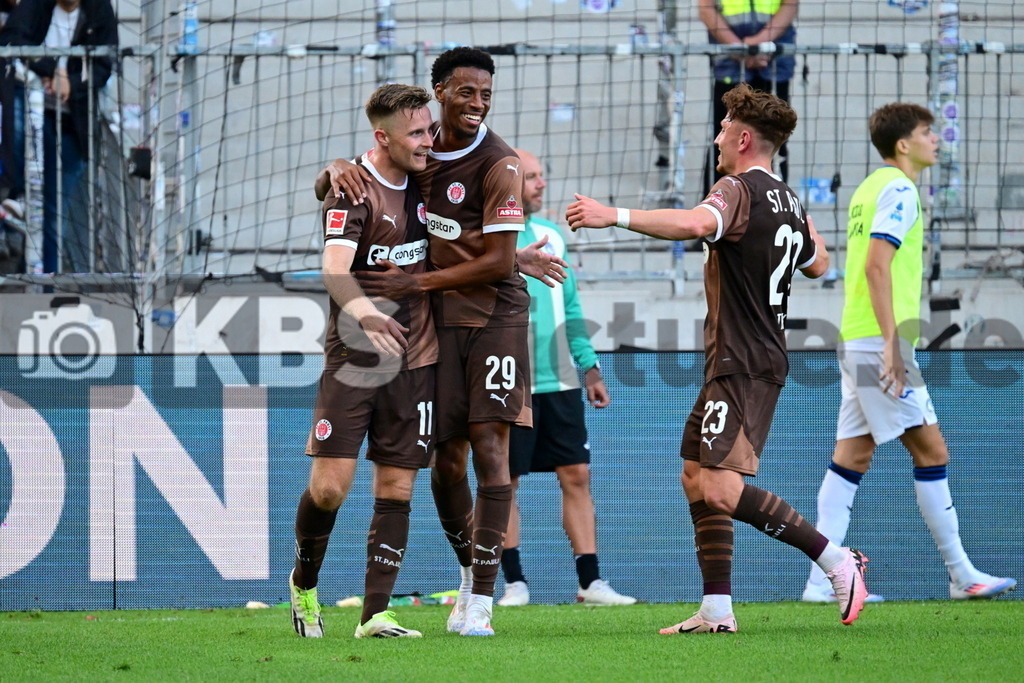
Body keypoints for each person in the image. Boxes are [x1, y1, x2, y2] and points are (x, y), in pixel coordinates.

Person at [567, 83, 870, 633]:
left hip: (745, 361)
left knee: (722, 488)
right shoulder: (786, 198)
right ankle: (717, 608)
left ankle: (834, 559)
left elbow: (693, 224)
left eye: (724, 127)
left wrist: (610, 214)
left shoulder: (735, 188)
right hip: (741, 359)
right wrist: (795, 219)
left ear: (745, 137)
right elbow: (820, 262)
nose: (717, 137)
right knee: (694, 474)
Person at [316, 47, 554, 637]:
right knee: (447, 464)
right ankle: (468, 576)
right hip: (441, 321)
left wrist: (421, 279)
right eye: (467, 93)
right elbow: (376, 173)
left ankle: (478, 597)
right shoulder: (425, 152)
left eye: (486, 94)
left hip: (496, 315)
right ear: (440, 92)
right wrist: (333, 168)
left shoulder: (500, 162)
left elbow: (497, 258)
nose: (478, 103)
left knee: (490, 450)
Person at [801, 103, 1017, 603]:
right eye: (927, 131)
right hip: (879, 338)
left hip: (858, 335)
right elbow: (878, 266)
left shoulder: (867, 188)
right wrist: (894, 344)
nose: (935, 139)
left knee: (851, 457)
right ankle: (962, 574)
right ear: (904, 143)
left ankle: (820, 580)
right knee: (932, 450)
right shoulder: (899, 189)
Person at [290, 83, 439, 640]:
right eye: (418, 133)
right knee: (330, 487)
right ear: (383, 137)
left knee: (398, 485)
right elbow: (333, 267)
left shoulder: (431, 177)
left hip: (417, 354)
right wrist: (363, 313)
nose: (429, 141)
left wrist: (509, 254)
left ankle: (375, 613)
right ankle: (304, 585)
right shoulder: (352, 189)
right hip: (355, 359)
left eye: (429, 128)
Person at [495, 149, 635, 608]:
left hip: (560, 383)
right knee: (506, 482)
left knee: (576, 474)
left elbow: (570, 309)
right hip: (508, 383)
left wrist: (589, 365)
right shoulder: (492, 240)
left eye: (541, 176)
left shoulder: (553, 236)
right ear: (509, 183)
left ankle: (590, 583)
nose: (539, 184)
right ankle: (514, 583)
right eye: (530, 177)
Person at [0, 0, 118, 273]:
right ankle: (18, 195)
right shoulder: (36, 5)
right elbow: (11, 39)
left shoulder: (99, 9)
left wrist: (70, 83)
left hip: (73, 119)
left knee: (57, 210)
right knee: (17, 128)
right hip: (31, 102)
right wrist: (49, 69)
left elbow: (105, 64)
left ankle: (50, 282)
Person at [699, 0, 797, 194]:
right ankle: (718, 212)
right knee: (724, 140)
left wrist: (758, 44)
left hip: (774, 65)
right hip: (730, 67)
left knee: (775, 138)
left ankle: (772, 208)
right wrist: (739, 48)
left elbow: (790, 4)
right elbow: (706, 8)